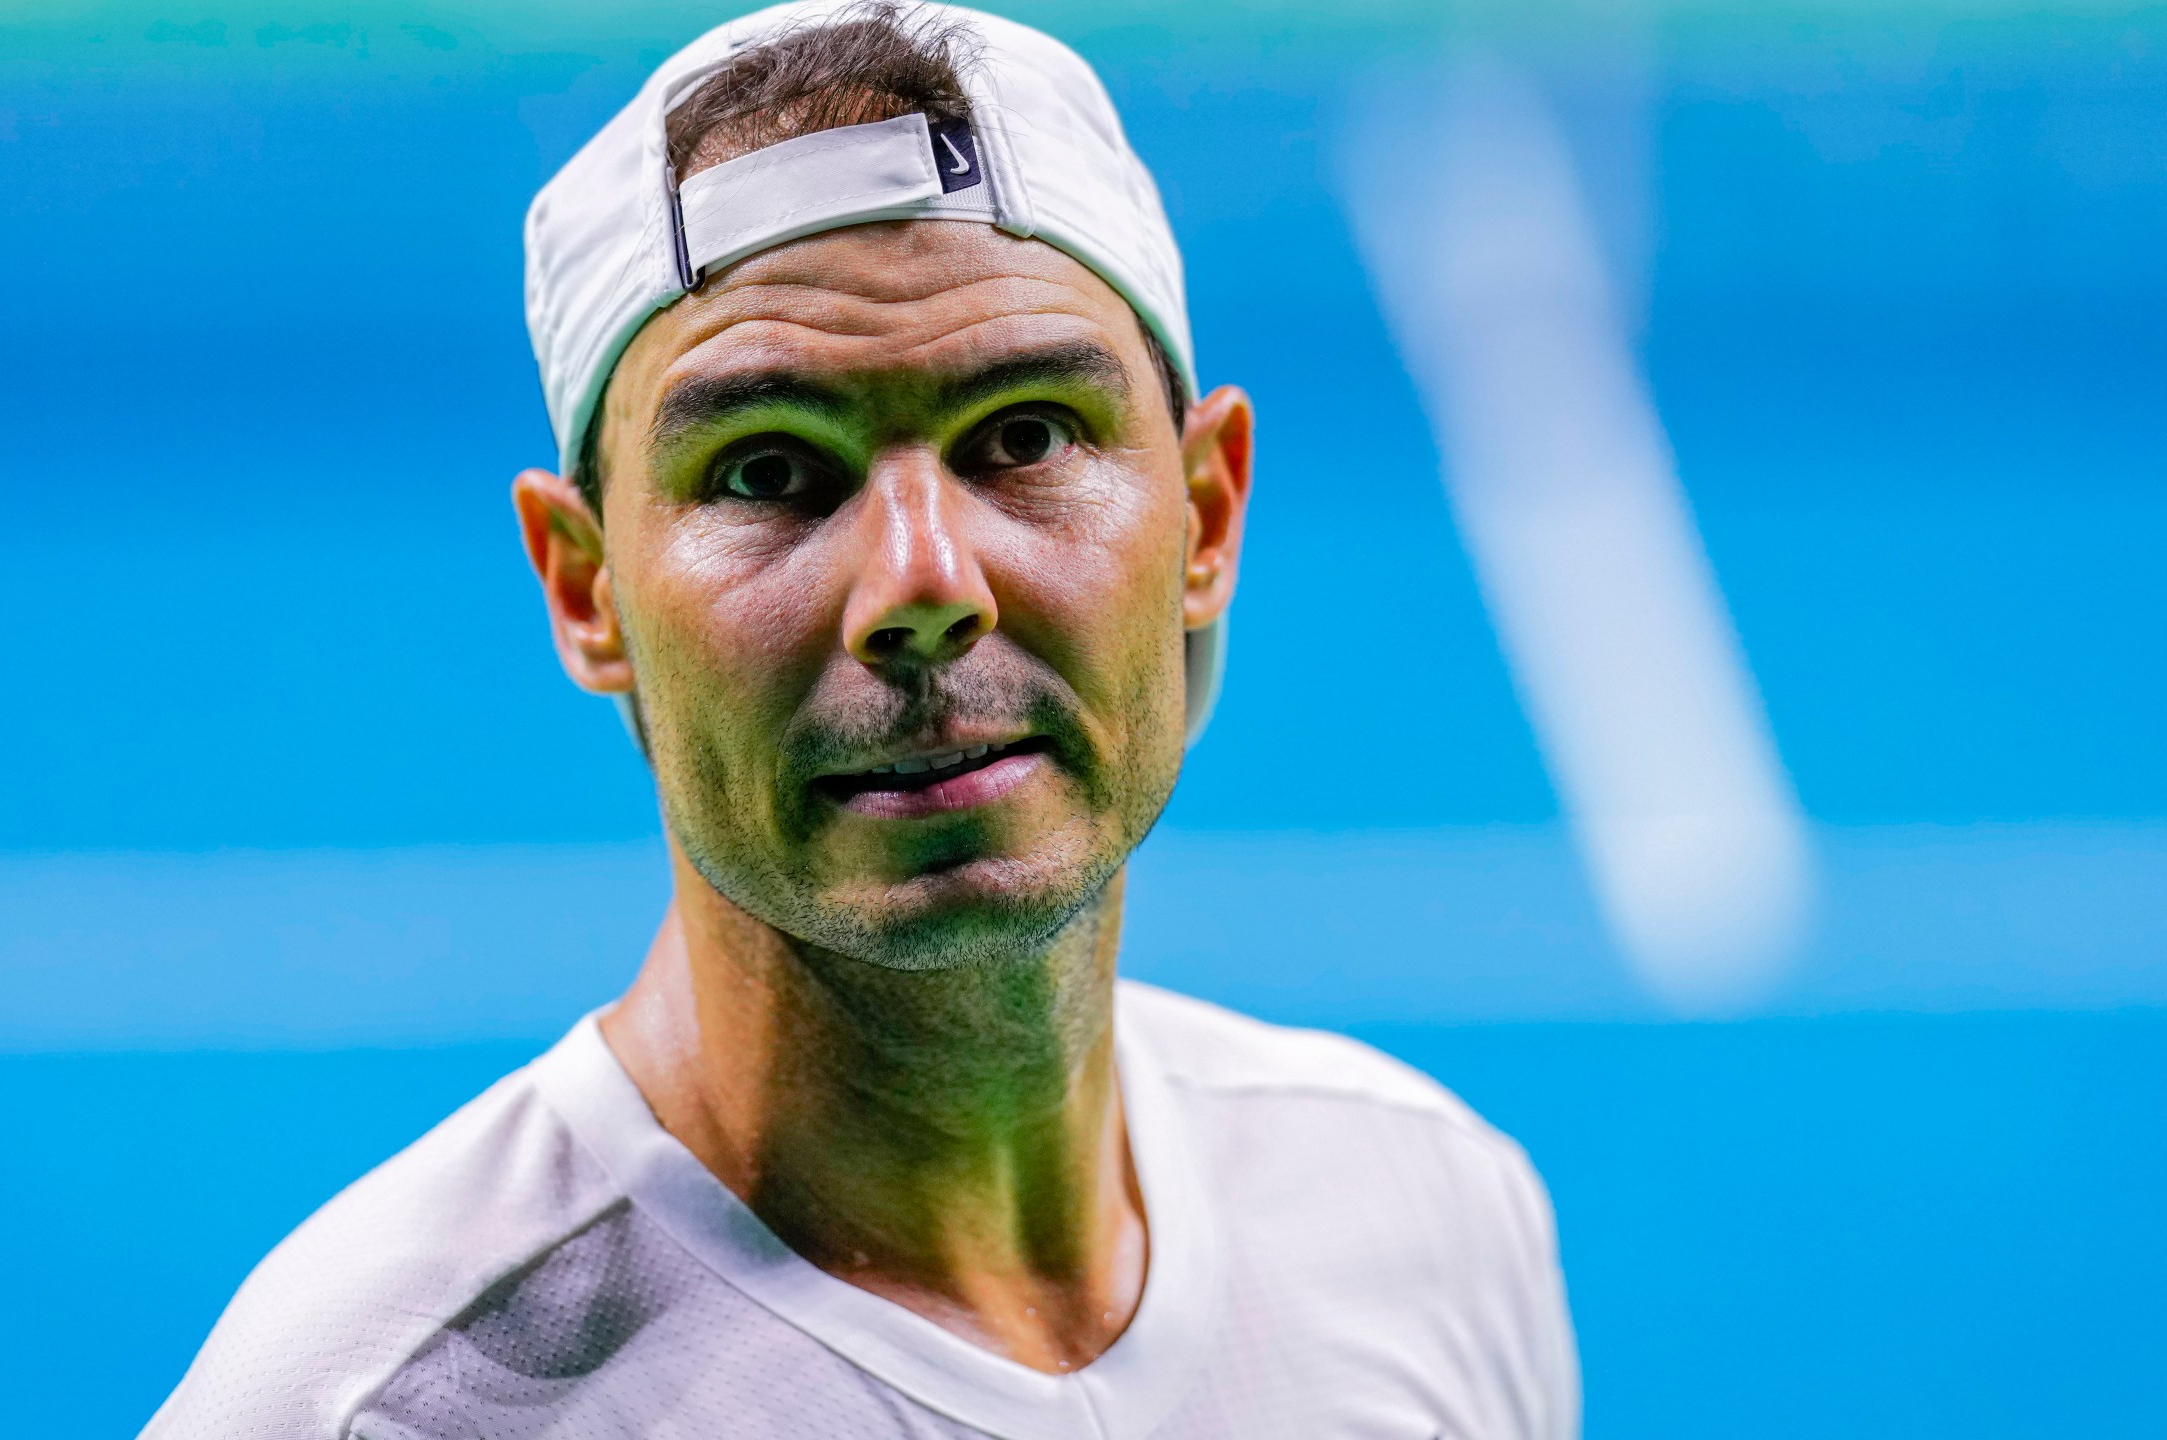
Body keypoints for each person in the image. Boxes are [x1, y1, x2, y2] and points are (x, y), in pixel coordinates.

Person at [141, 3, 1578, 1436]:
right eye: (767, 470)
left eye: (1025, 435)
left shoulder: (1427, 1216)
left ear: (1206, 515)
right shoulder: (377, 1410)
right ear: (587, 592)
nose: (921, 585)